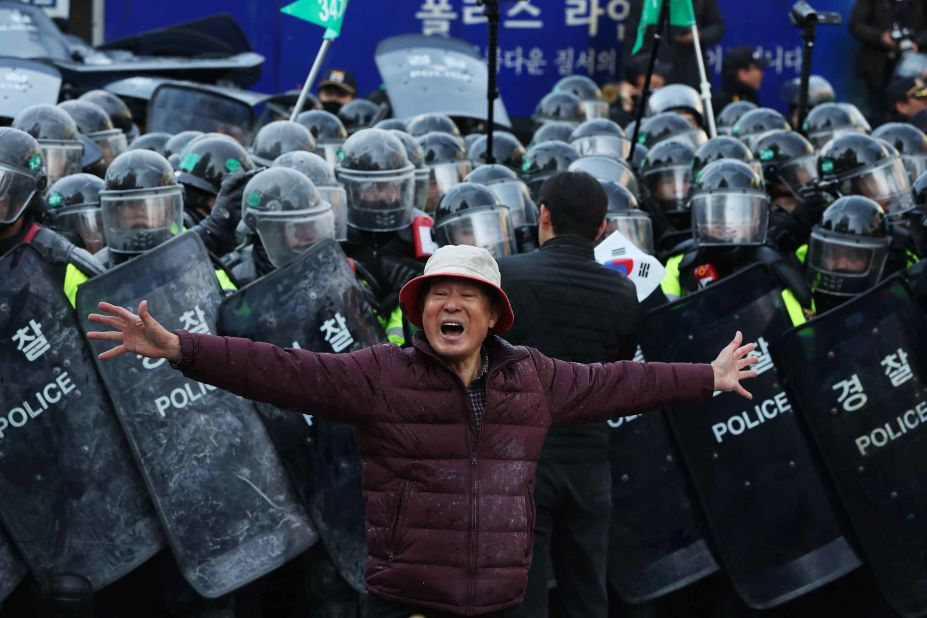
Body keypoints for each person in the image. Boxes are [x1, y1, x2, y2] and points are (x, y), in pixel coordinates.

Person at [86, 243, 759, 618]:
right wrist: (182, 350)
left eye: (467, 295)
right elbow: (284, 372)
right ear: (420, 310)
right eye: (438, 293)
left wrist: (706, 376)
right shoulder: (378, 375)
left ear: (494, 315)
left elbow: (620, 382)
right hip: (407, 604)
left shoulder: (535, 379)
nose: (450, 304)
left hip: (502, 603)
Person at [497, 171, 641, 618]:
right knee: (586, 592)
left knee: (524, 595)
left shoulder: (506, 275)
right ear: (601, 228)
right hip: (590, 464)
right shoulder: (622, 290)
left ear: (543, 215)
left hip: (522, 463)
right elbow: (621, 359)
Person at [850, 0, 927, 124]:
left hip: (913, 67)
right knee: (877, 114)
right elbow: (856, 26)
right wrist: (882, 37)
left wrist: (918, 42)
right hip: (877, 66)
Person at [624, 0, 724, 90]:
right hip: (654, 73)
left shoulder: (702, 3)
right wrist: (641, 73)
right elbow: (632, 42)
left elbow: (718, 27)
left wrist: (698, 35)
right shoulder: (644, 3)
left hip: (690, 71)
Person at [713, 46, 768, 111]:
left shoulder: (752, 99)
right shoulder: (719, 104)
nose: (761, 74)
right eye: (758, 68)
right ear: (742, 73)